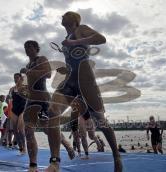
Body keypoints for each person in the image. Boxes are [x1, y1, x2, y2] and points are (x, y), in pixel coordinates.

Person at [46, 11, 122, 172]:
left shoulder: (81, 29)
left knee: (100, 120)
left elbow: (101, 39)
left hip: (85, 79)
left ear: (74, 20)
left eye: (65, 15)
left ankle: (116, 156)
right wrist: (64, 69)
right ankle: (55, 163)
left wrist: (74, 42)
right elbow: (72, 62)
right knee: (53, 111)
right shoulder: (65, 39)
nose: (62, 16)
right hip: (70, 80)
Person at [21, 40, 56, 172]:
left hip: (43, 99)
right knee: (28, 131)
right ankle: (33, 166)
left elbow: (48, 74)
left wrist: (29, 72)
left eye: (29, 46)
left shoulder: (41, 59)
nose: (27, 49)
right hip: (31, 100)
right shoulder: (28, 64)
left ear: (36, 48)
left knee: (47, 130)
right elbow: (30, 83)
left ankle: (66, 145)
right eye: (25, 47)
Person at [8, 73, 27, 154]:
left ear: (20, 78)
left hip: (23, 109)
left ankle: (25, 147)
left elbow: (29, 98)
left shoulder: (25, 87)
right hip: (14, 110)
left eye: (17, 77)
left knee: (21, 129)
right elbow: (8, 99)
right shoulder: (12, 89)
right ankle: (20, 147)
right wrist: (8, 99)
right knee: (15, 130)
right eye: (14, 78)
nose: (15, 79)